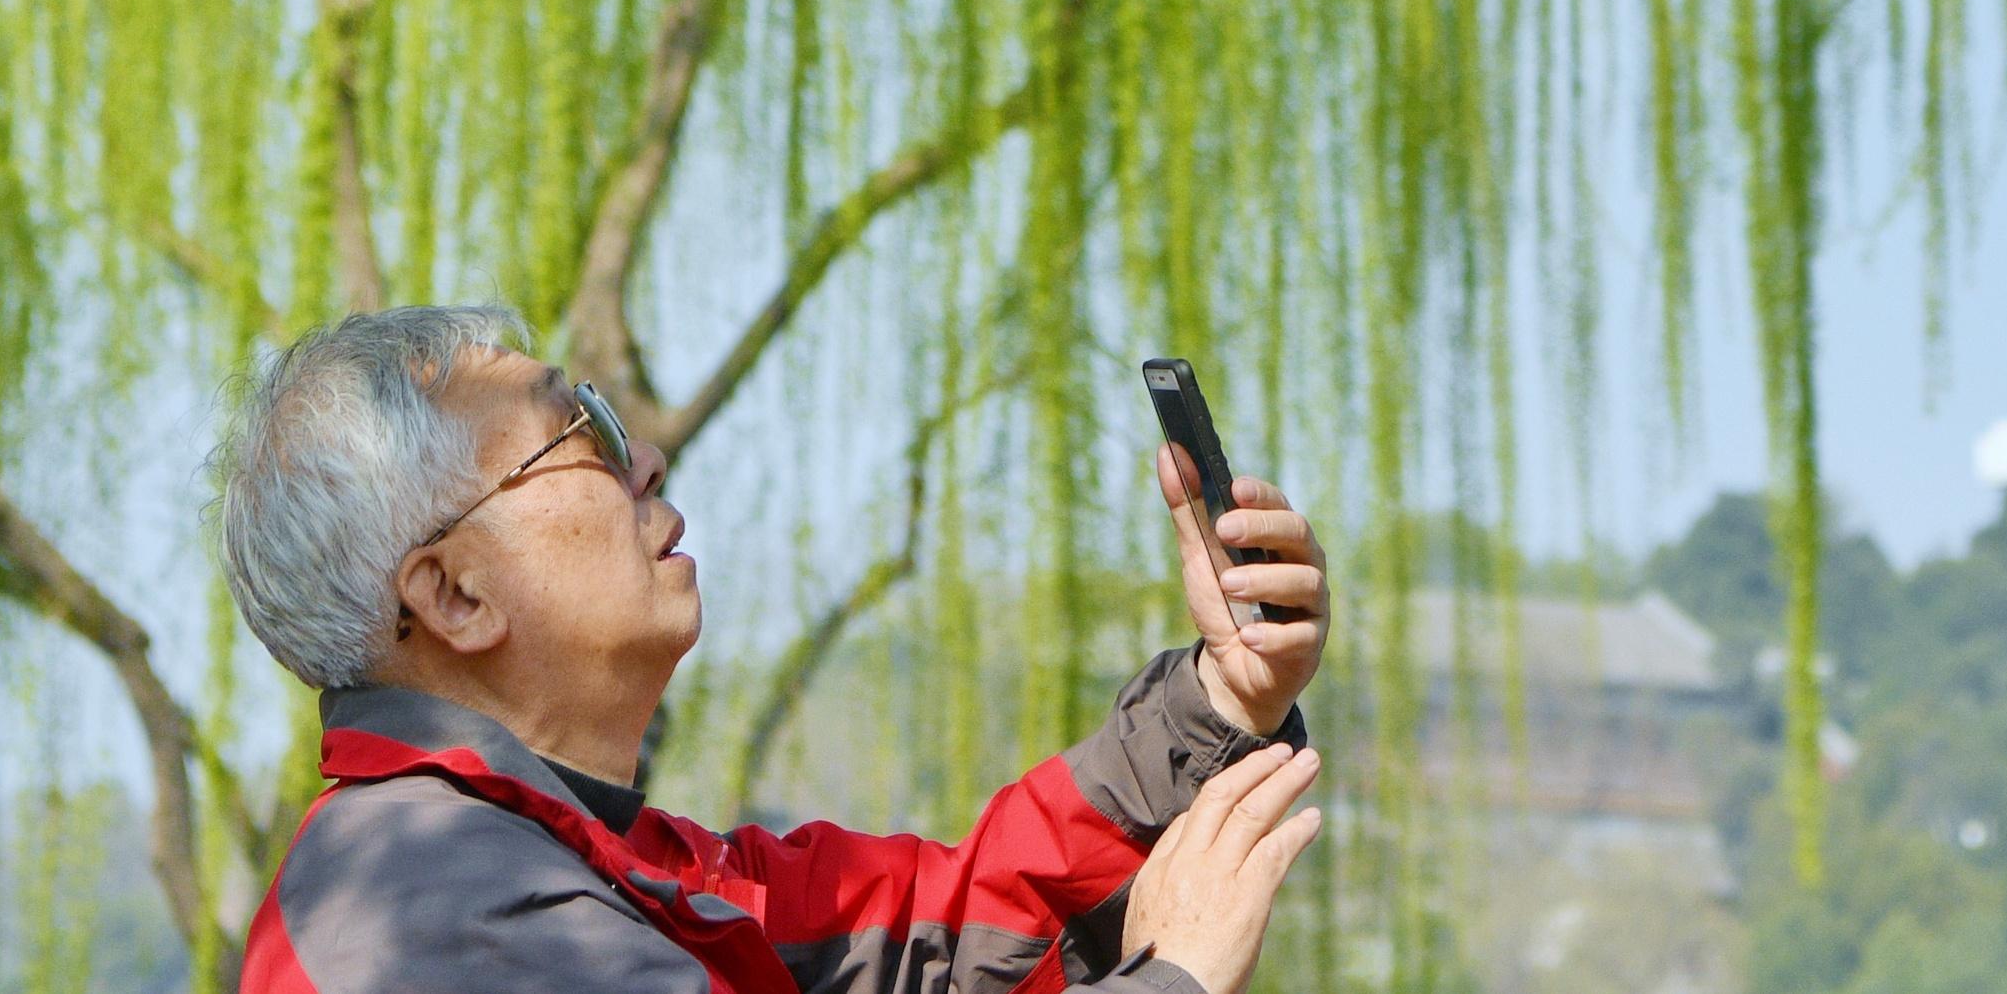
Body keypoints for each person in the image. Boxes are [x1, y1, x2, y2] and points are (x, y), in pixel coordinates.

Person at [216, 305, 1329, 994]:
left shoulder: (606, 866)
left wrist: (1221, 696)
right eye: (581, 433)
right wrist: (1171, 976)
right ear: (453, 591)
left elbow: (948, 933)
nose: (645, 455)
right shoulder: (428, 908)